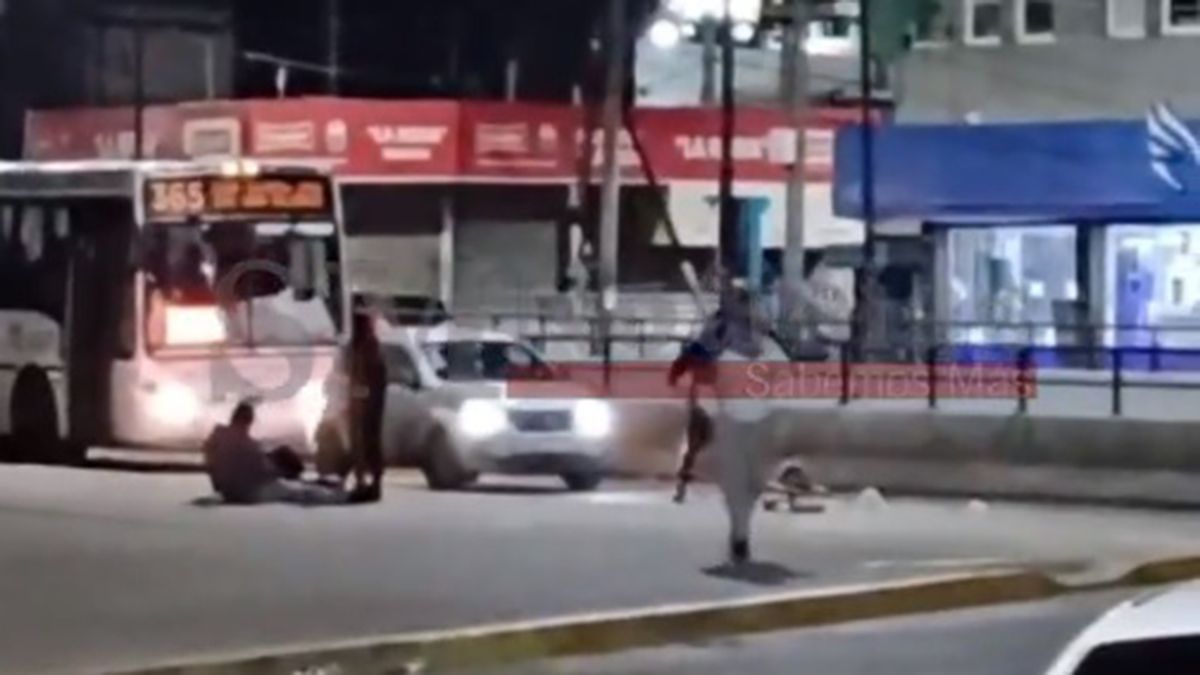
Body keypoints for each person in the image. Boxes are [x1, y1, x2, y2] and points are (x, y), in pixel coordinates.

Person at [669, 282, 778, 564]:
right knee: (728, 470)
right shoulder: (718, 328)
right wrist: (681, 368)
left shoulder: (763, 333)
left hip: (758, 411)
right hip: (724, 408)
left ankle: (740, 526)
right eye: (740, 302)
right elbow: (697, 353)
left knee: (754, 480)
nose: (745, 309)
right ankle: (738, 533)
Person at [202, 402, 348, 505]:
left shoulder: (217, 440)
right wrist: (280, 468)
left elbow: (216, 472)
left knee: (297, 487)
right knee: (300, 492)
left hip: (234, 490)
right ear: (246, 421)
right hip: (252, 491)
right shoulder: (243, 444)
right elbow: (262, 470)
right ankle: (341, 497)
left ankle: (332, 490)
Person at [346, 309, 388, 502]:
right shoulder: (368, 347)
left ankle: (367, 482)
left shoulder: (367, 348)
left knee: (364, 443)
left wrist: (358, 391)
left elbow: (364, 377)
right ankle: (366, 482)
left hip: (365, 405)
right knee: (366, 443)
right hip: (368, 404)